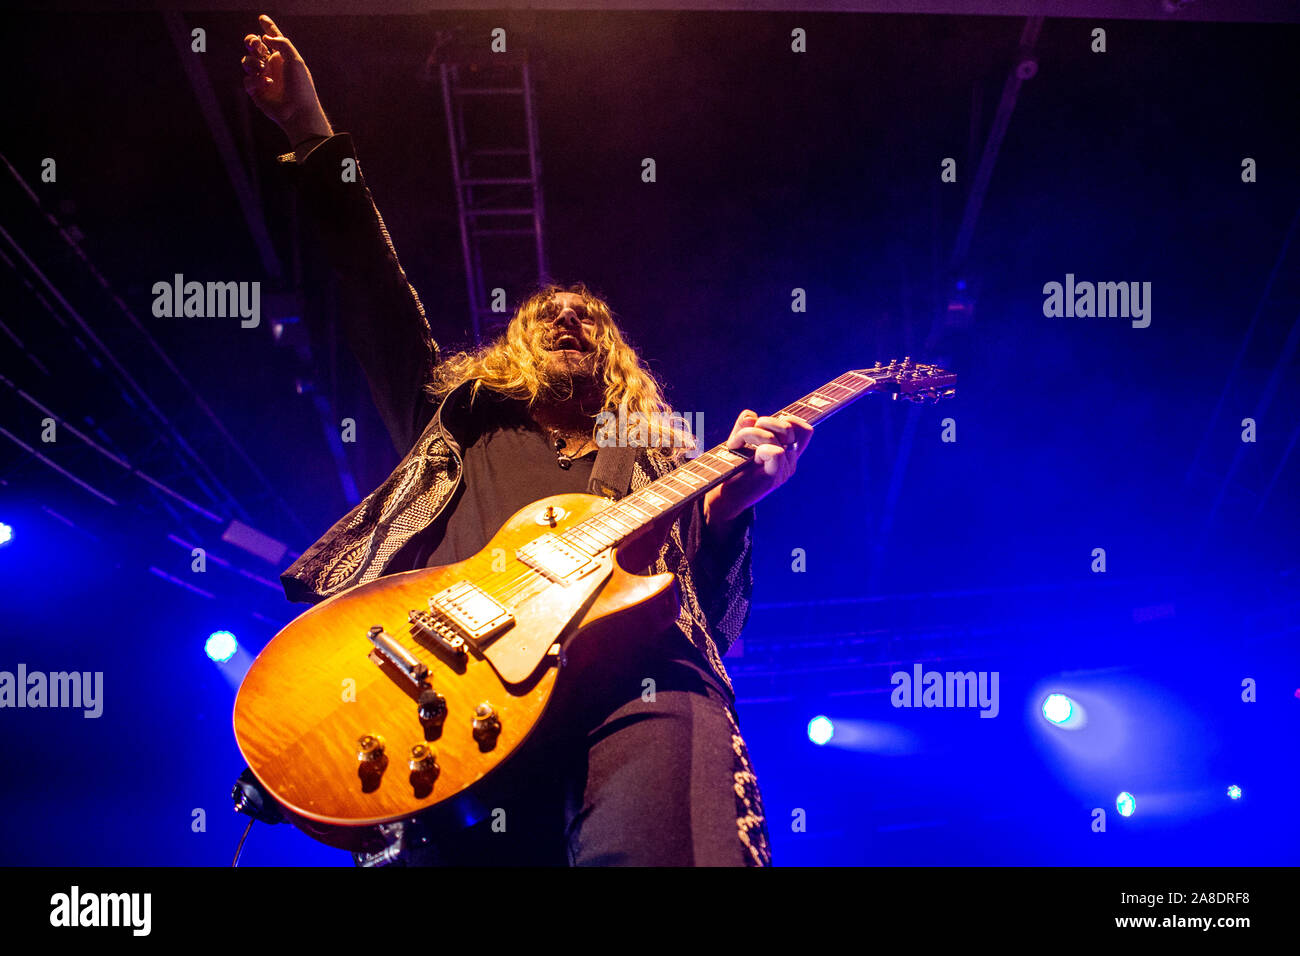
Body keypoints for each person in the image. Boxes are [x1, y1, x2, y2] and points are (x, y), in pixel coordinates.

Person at [241, 14, 813, 866]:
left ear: (616, 354)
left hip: (638, 684)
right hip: (454, 689)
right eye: (552, 314)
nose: (573, 317)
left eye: (591, 318)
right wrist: (309, 129)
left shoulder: (657, 454)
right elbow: (371, 285)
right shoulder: (462, 411)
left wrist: (733, 509)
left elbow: (720, 621)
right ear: (516, 343)